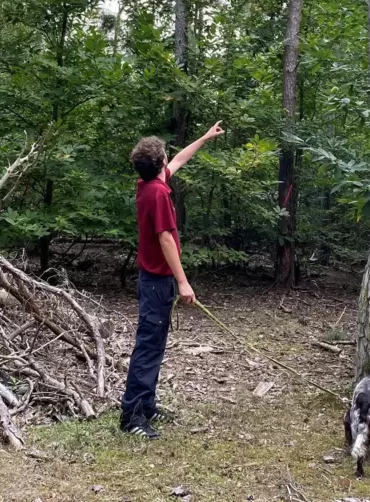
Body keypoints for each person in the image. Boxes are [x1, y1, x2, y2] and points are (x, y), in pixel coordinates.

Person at [120, 121, 225, 439]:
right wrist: (183, 282)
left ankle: (146, 405)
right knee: (148, 348)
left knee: (154, 345)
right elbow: (165, 238)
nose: (171, 159)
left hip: (154, 282)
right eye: (166, 155)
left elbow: (180, 160)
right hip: (157, 282)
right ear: (159, 162)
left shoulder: (150, 184)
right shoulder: (158, 195)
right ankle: (133, 416)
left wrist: (205, 138)